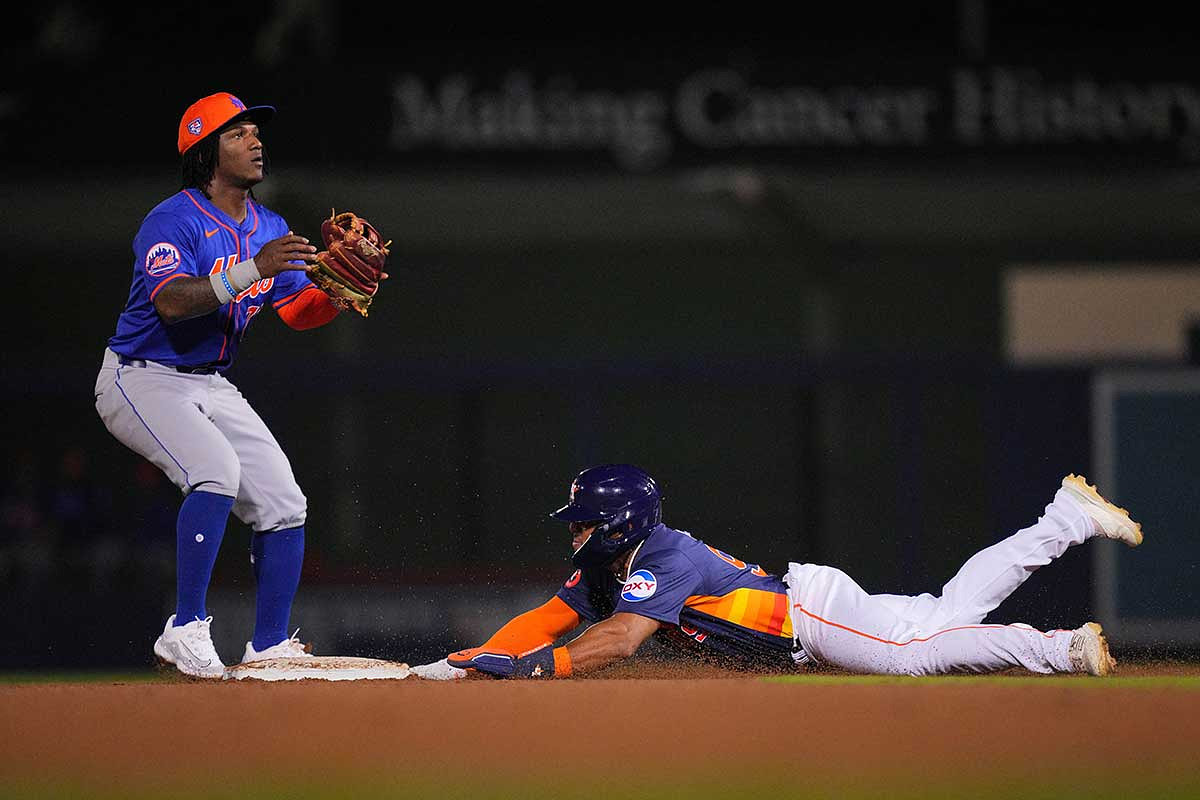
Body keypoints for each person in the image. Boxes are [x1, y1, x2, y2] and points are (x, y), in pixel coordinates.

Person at [411, 464, 1143, 680]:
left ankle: (1057, 649)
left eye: (582, 520)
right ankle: (1067, 519)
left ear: (618, 523)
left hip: (806, 618)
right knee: (946, 609)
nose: (572, 531)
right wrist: (483, 656)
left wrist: (545, 669)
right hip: (809, 605)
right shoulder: (610, 561)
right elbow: (548, 619)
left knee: (917, 657)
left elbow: (625, 639)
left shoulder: (661, 557)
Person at [94, 92, 349, 678]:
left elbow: (293, 311)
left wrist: (334, 294)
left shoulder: (269, 225)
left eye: (257, 131)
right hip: (141, 376)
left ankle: (267, 647)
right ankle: (184, 629)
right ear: (206, 150)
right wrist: (254, 268)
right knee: (215, 471)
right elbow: (172, 303)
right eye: (238, 134)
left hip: (209, 383)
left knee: (284, 502)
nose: (256, 141)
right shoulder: (173, 219)